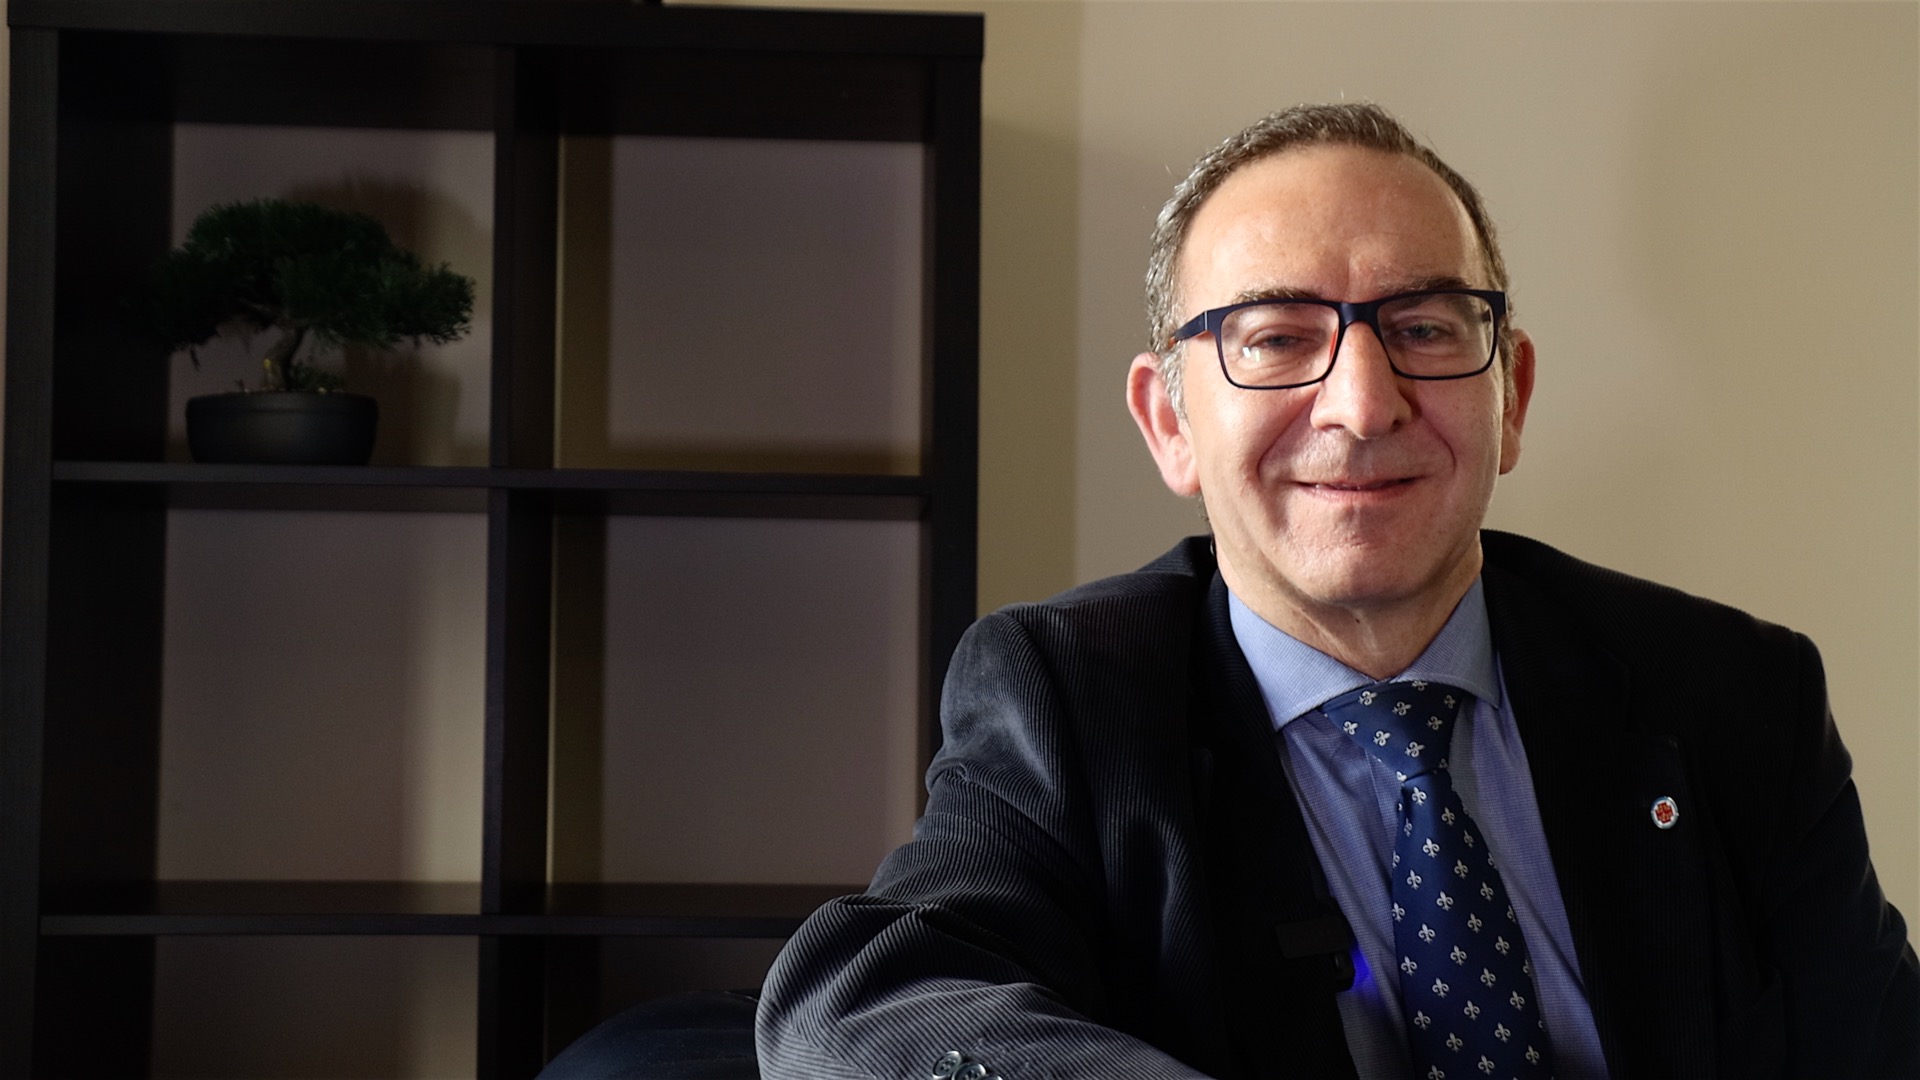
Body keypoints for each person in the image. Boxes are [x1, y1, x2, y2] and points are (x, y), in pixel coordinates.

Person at [752, 103, 1919, 1079]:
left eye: (1424, 327)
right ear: (1170, 423)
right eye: (1273, 338)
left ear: (1510, 398)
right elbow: (864, 1004)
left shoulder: (1732, 695)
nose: (1362, 404)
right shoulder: (1075, 697)